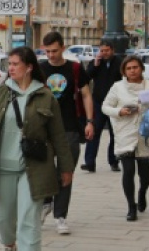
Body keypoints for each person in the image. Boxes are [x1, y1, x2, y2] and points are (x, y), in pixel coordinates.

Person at [0, 46, 74, 251]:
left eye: (15, 64)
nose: (10, 68)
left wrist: (66, 168)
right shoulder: (0, 92)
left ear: (29, 67)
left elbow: (58, 136)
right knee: (3, 218)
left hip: (34, 168)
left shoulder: (45, 96)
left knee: (29, 221)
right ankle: (9, 244)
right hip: (2, 167)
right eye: (8, 64)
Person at [38, 31, 94, 235]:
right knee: (44, 170)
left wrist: (90, 121)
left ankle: (61, 216)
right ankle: (45, 203)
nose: (51, 55)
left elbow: (86, 95)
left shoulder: (75, 69)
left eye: (54, 51)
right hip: (43, 127)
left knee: (66, 171)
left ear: (63, 48)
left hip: (69, 126)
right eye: (47, 51)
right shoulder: (39, 68)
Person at [101, 55, 149, 222]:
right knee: (128, 171)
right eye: (128, 68)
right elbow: (105, 106)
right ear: (124, 71)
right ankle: (131, 206)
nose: (132, 71)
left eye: (135, 67)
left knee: (145, 174)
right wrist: (119, 111)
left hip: (145, 134)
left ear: (141, 68)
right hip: (125, 133)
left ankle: (142, 193)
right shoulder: (118, 87)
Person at [83, 39, 122, 173]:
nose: (104, 53)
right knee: (93, 133)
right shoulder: (96, 63)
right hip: (98, 102)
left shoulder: (120, 62)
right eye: (102, 50)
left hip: (115, 104)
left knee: (115, 134)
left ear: (112, 50)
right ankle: (89, 162)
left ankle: (114, 161)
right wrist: (95, 64)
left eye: (106, 50)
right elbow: (86, 77)